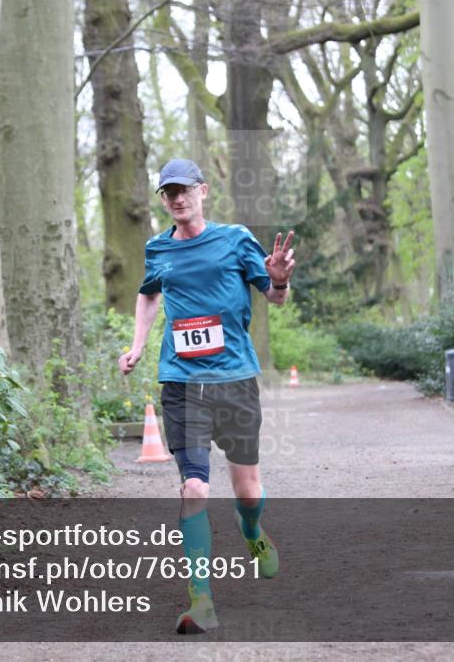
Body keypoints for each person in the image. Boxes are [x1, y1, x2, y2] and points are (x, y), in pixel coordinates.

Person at [118, 158, 296, 634]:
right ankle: (201, 599)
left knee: (248, 492)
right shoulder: (158, 249)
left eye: (183, 189)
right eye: (167, 192)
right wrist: (137, 344)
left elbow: (274, 299)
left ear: (203, 190)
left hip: (235, 380)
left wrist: (278, 278)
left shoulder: (235, 239)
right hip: (181, 382)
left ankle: (252, 530)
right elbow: (148, 293)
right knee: (194, 486)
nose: (176, 198)